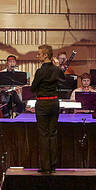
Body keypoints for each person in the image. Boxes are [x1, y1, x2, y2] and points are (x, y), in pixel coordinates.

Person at [30, 44, 65, 174]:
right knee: (53, 134)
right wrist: (57, 67)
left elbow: (33, 88)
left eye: (39, 54)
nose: (37, 56)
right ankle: (53, 166)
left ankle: (46, 167)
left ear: (45, 55)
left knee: (44, 135)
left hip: (43, 104)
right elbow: (63, 79)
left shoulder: (40, 71)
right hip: (54, 102)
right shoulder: (56, 70)